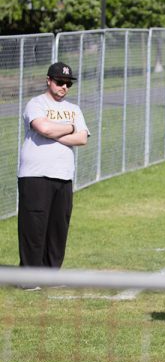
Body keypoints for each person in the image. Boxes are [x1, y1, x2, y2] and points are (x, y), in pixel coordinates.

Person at [18, 62, 89, 280]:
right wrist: (69, 127)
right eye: (60, 82)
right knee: (34, 227)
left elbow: (82, 138)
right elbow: (44, 128)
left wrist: (56, 132)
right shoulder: (36, 104)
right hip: (35, 175)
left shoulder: (74, 109)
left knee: (58, 228)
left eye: (68, 84)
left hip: (63, 175)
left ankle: (50, 275)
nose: (64, 87)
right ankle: (29, 278)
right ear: (49, 80)